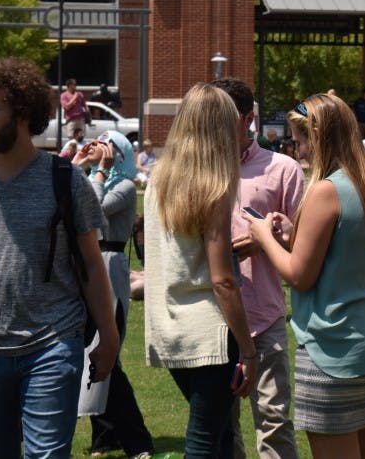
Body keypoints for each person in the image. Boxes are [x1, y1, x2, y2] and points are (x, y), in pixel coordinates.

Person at [0, 57, 118, 457]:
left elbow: (90, 264)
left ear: (24, 115)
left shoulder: (65, 180)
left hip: (52, 345)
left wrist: (110, 335)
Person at [243, 93, 365, 459]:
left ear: (319, 137)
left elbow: (299, 275)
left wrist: (264, 236)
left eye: (300, 140)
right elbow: (347, 251)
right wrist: (292, 235)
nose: (296, 149)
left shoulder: (325, 190)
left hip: (334, 348)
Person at [144, 83, 258, 458]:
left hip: (169, 325)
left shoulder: (157, 179)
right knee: (206, 440)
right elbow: (223, 281)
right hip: (211, 333)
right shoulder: (215, 186)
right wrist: (249, 349)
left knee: (221, 436)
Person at [211, 77, 305, 459]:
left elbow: (306, 241)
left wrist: (268, 240)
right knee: (219, 427)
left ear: (247, 119)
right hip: (210, 318)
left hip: (263, 316)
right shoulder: (200, 168)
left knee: (274, 422)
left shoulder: (281, 168)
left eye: (224, 116)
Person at [72, 131, 155, 458]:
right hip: (90, 266)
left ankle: (135, 438)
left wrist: (100, 170)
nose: (96, 148)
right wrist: (79, 167)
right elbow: (68, 201)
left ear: (118, 152)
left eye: (105, 144)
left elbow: (92, 210)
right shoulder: (99, 178)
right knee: (92, 350)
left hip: (108, 265)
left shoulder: (124, 186)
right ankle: (106, 436)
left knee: (106, 353)